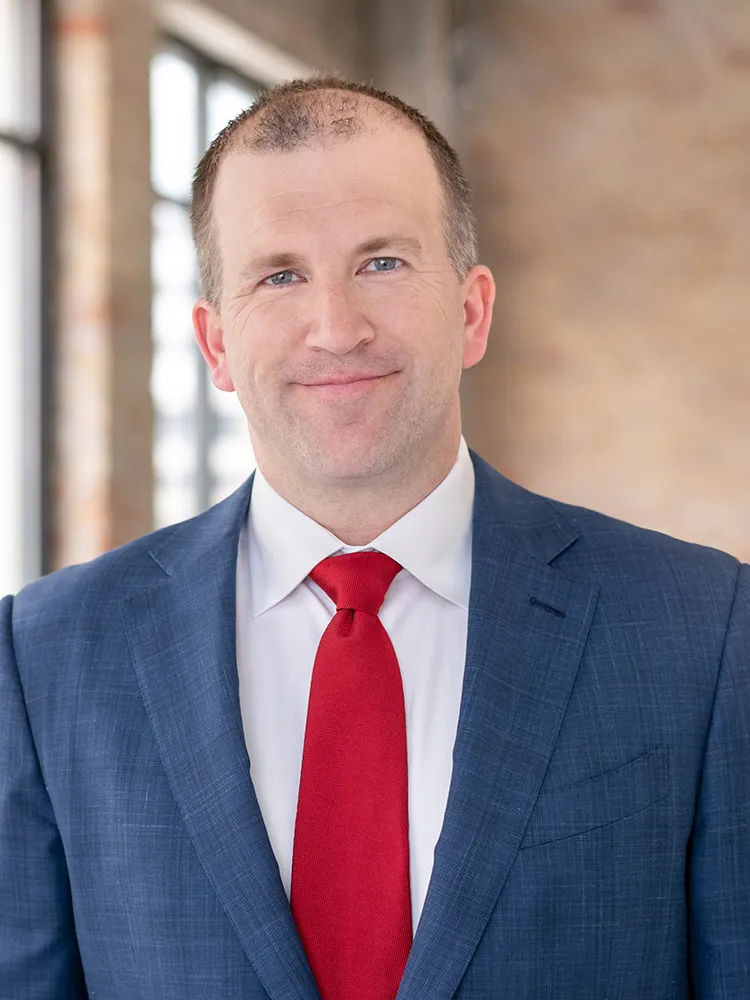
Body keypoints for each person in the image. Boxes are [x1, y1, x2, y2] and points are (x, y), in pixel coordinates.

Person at [0, 76, 747, 1000]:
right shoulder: (45, 654)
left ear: (472, 311)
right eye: (280, 275)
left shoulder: (700, 629)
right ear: (216, 344)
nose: (336, 328)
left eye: (382, 263)